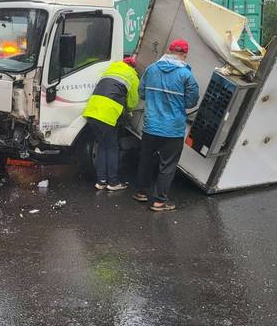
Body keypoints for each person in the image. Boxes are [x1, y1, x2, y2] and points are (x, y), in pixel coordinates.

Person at [133, 38, 200, 211]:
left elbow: (141, 92)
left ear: (169, 51)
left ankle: (141, 192)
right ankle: (159, 201)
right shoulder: (186, 75)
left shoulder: (151, 69)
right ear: (185, 54)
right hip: (173, 129)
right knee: (167, 165)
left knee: (146, 160)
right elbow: (191, 101)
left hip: (151, 126)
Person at [82, 57, 140, 191]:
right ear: (133, 67)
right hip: (107, 115)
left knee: (103, 146)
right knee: (112, 148)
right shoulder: (132, 75)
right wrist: (129, 110)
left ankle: (101, 181)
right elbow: (132, 102)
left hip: (92, 112)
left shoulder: (110, 70)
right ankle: (113, 182)